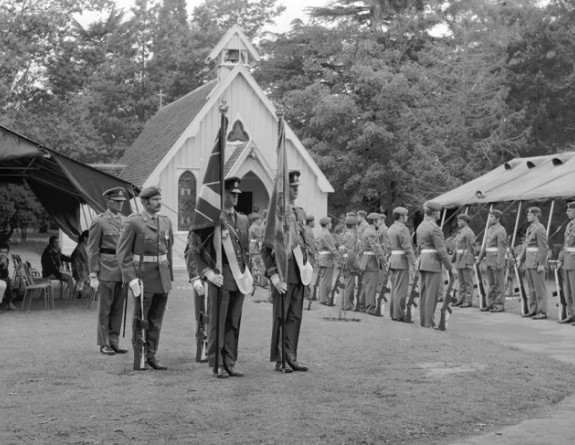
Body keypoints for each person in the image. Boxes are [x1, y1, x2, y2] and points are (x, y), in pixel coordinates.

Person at [188, 177, 249, 378]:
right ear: (222, 195)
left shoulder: (242, 219)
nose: (235, 197)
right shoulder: (210, 219)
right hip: (220, 275)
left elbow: (245, 250)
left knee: (233, 321)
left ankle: (230, 361)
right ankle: (217, 363)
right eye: (231, 193)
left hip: (238, 277)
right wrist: (207, 273)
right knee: (218, 321)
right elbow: (194, 249)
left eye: (237, 194)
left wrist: (247, 274)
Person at [117, 186, 173, 370]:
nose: (159, 202)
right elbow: (122, 254)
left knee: (156, 320)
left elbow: (168, 251)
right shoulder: (134, 222)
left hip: (161, 277)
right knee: (141, 319)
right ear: (144, 202)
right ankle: (139, 358)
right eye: (155, 199)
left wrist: (169, 276)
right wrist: (131, 279)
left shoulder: (165, 222)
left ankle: (152, 356)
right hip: (143, 278)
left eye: (160, 198)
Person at [261, 170, 309, 373]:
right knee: (281, 317)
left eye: (297, 186)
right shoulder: (276, 215)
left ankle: (292, 356)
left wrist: (307, 266)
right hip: (283, 272)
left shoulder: (299, 213)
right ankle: (280, 359)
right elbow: (265, 249)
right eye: (292, 186)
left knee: (295, 317)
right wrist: (273, 275)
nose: (296, 189)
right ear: (283, 188)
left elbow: (303, 242)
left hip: (298, 272)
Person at [88, 187, 129, 356]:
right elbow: (92, 249)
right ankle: (104, 343)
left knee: (118, 309)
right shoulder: (99, 221)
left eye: (122, 202)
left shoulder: (127, 221)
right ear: (108, 201)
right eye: (116, 201)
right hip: (105, 269)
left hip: (122, 270)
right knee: (105, 309)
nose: (120, 204)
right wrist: (93, 275)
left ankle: (114, 342)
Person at [416, 201, 454, 328]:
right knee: (431, 295)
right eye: (438, 211)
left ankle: (424, 321)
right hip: (433, 261)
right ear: (434, 213)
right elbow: (442, 251)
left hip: (423, 259)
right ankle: (429, 322)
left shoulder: (421, 226)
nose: (440, 213)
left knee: (425, 293)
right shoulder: (434, 228)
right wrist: (450, 267)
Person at [518, 206, 548, 320]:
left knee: (539, 289)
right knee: (531, 288)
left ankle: (542, 311)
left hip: (536, 262)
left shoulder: (540, 229)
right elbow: (526, 246)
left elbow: (543, 247)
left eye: (530, 215)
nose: (528, 216)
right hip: (529, 262)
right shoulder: (530, 228)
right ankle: (533, 310)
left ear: (536, 216)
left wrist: (541, 263)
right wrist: (521, 260)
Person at [388, 207, 417, 321]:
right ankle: (399, 314)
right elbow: (407, 248)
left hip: (393, 259)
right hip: (401, 260)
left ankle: (394, 313)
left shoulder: (391, 228)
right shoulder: (403, 229)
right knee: (401, 289)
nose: (407, 217)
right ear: (401, 216)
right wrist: (414, 262)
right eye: (406, 215)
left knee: (394, 289)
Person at [476, 210, 507, 312]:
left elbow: (501, 247)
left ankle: (499, 305)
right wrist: (479, 258)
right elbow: (485, 246)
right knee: (491, 284)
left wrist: (499, 261)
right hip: (489, 260)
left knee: (499, 284)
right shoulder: (489, 230)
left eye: (492, 217)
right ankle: (491, 303)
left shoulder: (501, 230)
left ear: (498, 218)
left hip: (496, 260)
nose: (490, 219)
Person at [359, 213, 387, 315]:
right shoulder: (371, 232)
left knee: (365, 284)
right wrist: (385, 261)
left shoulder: (367, 230)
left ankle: (362, 305)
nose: (380, 222)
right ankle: (370, 308)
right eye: (378, 220)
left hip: (365, 259)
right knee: (371, 285)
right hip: (371, 260)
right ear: (374, 221)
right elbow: (376, 249)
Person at [453, 214, 477, 309]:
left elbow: (472, 248)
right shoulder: (460, 232)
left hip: (466, 259)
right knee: (461, 282)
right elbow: (457, 246)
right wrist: (454, 259)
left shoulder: (468, 232)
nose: (458, 222)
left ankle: (468, 301)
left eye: (460, 221)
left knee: (468, 282)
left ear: (465, 221)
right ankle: (461, 299)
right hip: (460, 259)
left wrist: (469, 262)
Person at [557, 201, 575, 324]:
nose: (566, 212)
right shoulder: (569, 225)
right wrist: (560, 259)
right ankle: (571, 314)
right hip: (568, 261)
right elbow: (565, 245)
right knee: (568, 290)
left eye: (569, 210)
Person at [341, 213, 361, 311]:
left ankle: (347, 303)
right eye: (356, 224)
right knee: (350, 284)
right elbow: (351, 252)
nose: (357, 226)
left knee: (348, 283)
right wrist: (357, 265)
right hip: (350, 262)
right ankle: (347, 304)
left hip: (346, 261)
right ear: (353, 225)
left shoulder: (345, 233)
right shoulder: (351, 235)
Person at [317, 216, 338, 306]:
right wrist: (339, 258)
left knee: (323, 279)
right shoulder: (326, 234)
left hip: (322, 258)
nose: (331, 224)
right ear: (326, 224)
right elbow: (332, 248)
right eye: (330, 223)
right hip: (327, 259)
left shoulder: (322, 233)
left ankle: (322, 297)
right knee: (327, 281)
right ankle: (324, 299)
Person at [248, 213, 267, 288]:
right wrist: (260, 248)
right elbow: (259, 239)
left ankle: (254, 281)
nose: (260, 221)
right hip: (255, 248)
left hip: (252, 247)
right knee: (258, 265)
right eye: (259, 219)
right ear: (256, 220)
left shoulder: (252, 227)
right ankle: (256, 281)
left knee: (254, 264)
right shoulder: (256, 227)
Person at [71, 230, 90, 298]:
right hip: (79, 271)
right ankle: (82, 291)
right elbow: (86, 260)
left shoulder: (82, 246)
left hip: (80, 270)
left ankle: (82, 291)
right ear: (85, 238)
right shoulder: (81, 247)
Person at [0, 242, 17, 310]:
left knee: (8, 280)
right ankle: (9, 302)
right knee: (7, 280)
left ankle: (9, 302)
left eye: (5, 252)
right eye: (1, 251)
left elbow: (5, 274)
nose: (3, 254)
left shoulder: (6, 260)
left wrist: (4, 265)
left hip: (2, 279)